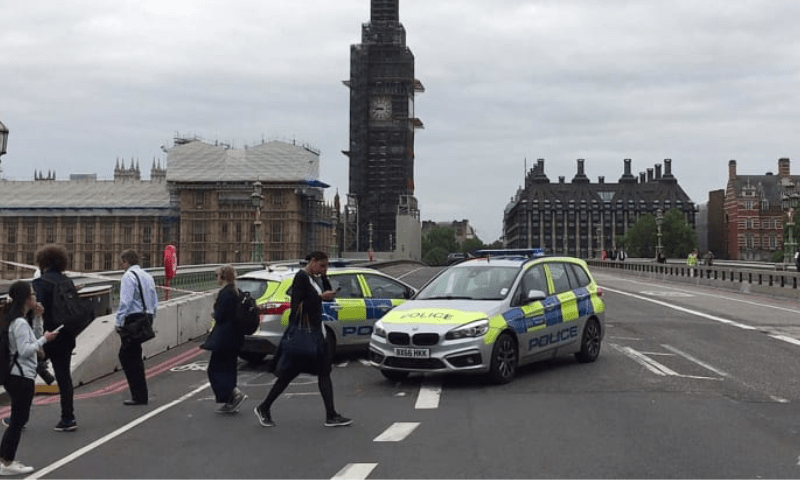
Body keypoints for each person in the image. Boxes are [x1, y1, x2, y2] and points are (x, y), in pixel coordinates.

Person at [254, 251, 351, 428]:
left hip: (316, 333)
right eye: (322, 265)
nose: (323, 269)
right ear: (312, 262)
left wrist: (325, 277)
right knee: (287, 375)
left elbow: (327, 294)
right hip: (304, 334)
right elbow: (296, 305)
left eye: (326, 266)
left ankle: (331, 415)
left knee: (324, 372)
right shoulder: (301, 277)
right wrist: (320, 297)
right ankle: (264, 407)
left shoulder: (314, 278)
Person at [0, 281, 59, 475]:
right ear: (26, 298)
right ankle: (7, 462)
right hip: (20, 376)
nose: (35, 296)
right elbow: (26, 349)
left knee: (18, 418)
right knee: (18, 419)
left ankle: (5, 459)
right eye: (32, 294)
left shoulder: (19, 320)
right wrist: (46, 339)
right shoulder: (18, 322)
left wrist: (39, 320)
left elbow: (30, 339)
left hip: (18, 375)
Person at [31, 244, 79, 432]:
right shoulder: (67, 281)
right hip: (66, 334)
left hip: (47, 336)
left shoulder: (40, 283)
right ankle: (68, 418)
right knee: (64, 377)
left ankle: (19, 417)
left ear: (42, 261)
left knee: (24, 376)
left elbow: (34, 311)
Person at [116, 249, 158, 406]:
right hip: (145, 317)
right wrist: (151, 317)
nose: (121, 265)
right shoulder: (148, 276)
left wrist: (118, 321)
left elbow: (125, 302)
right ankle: (141, 395)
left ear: (126, 261)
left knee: (126, 356)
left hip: (133, 319)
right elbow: (154, 299)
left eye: (122, 262)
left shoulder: (128, 276)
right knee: (135, 355)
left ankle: (138, 396)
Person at [206, 265, 247, 413]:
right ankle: (231, 399)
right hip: (234, 337)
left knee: (215, 369)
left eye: (216, 275)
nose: (216, 278)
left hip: (225, 338)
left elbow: (220, 316)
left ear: (222, 277)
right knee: (227, 368)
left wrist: (214, 313)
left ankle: (235, 395)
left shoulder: (226, 293)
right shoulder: (235, 291)